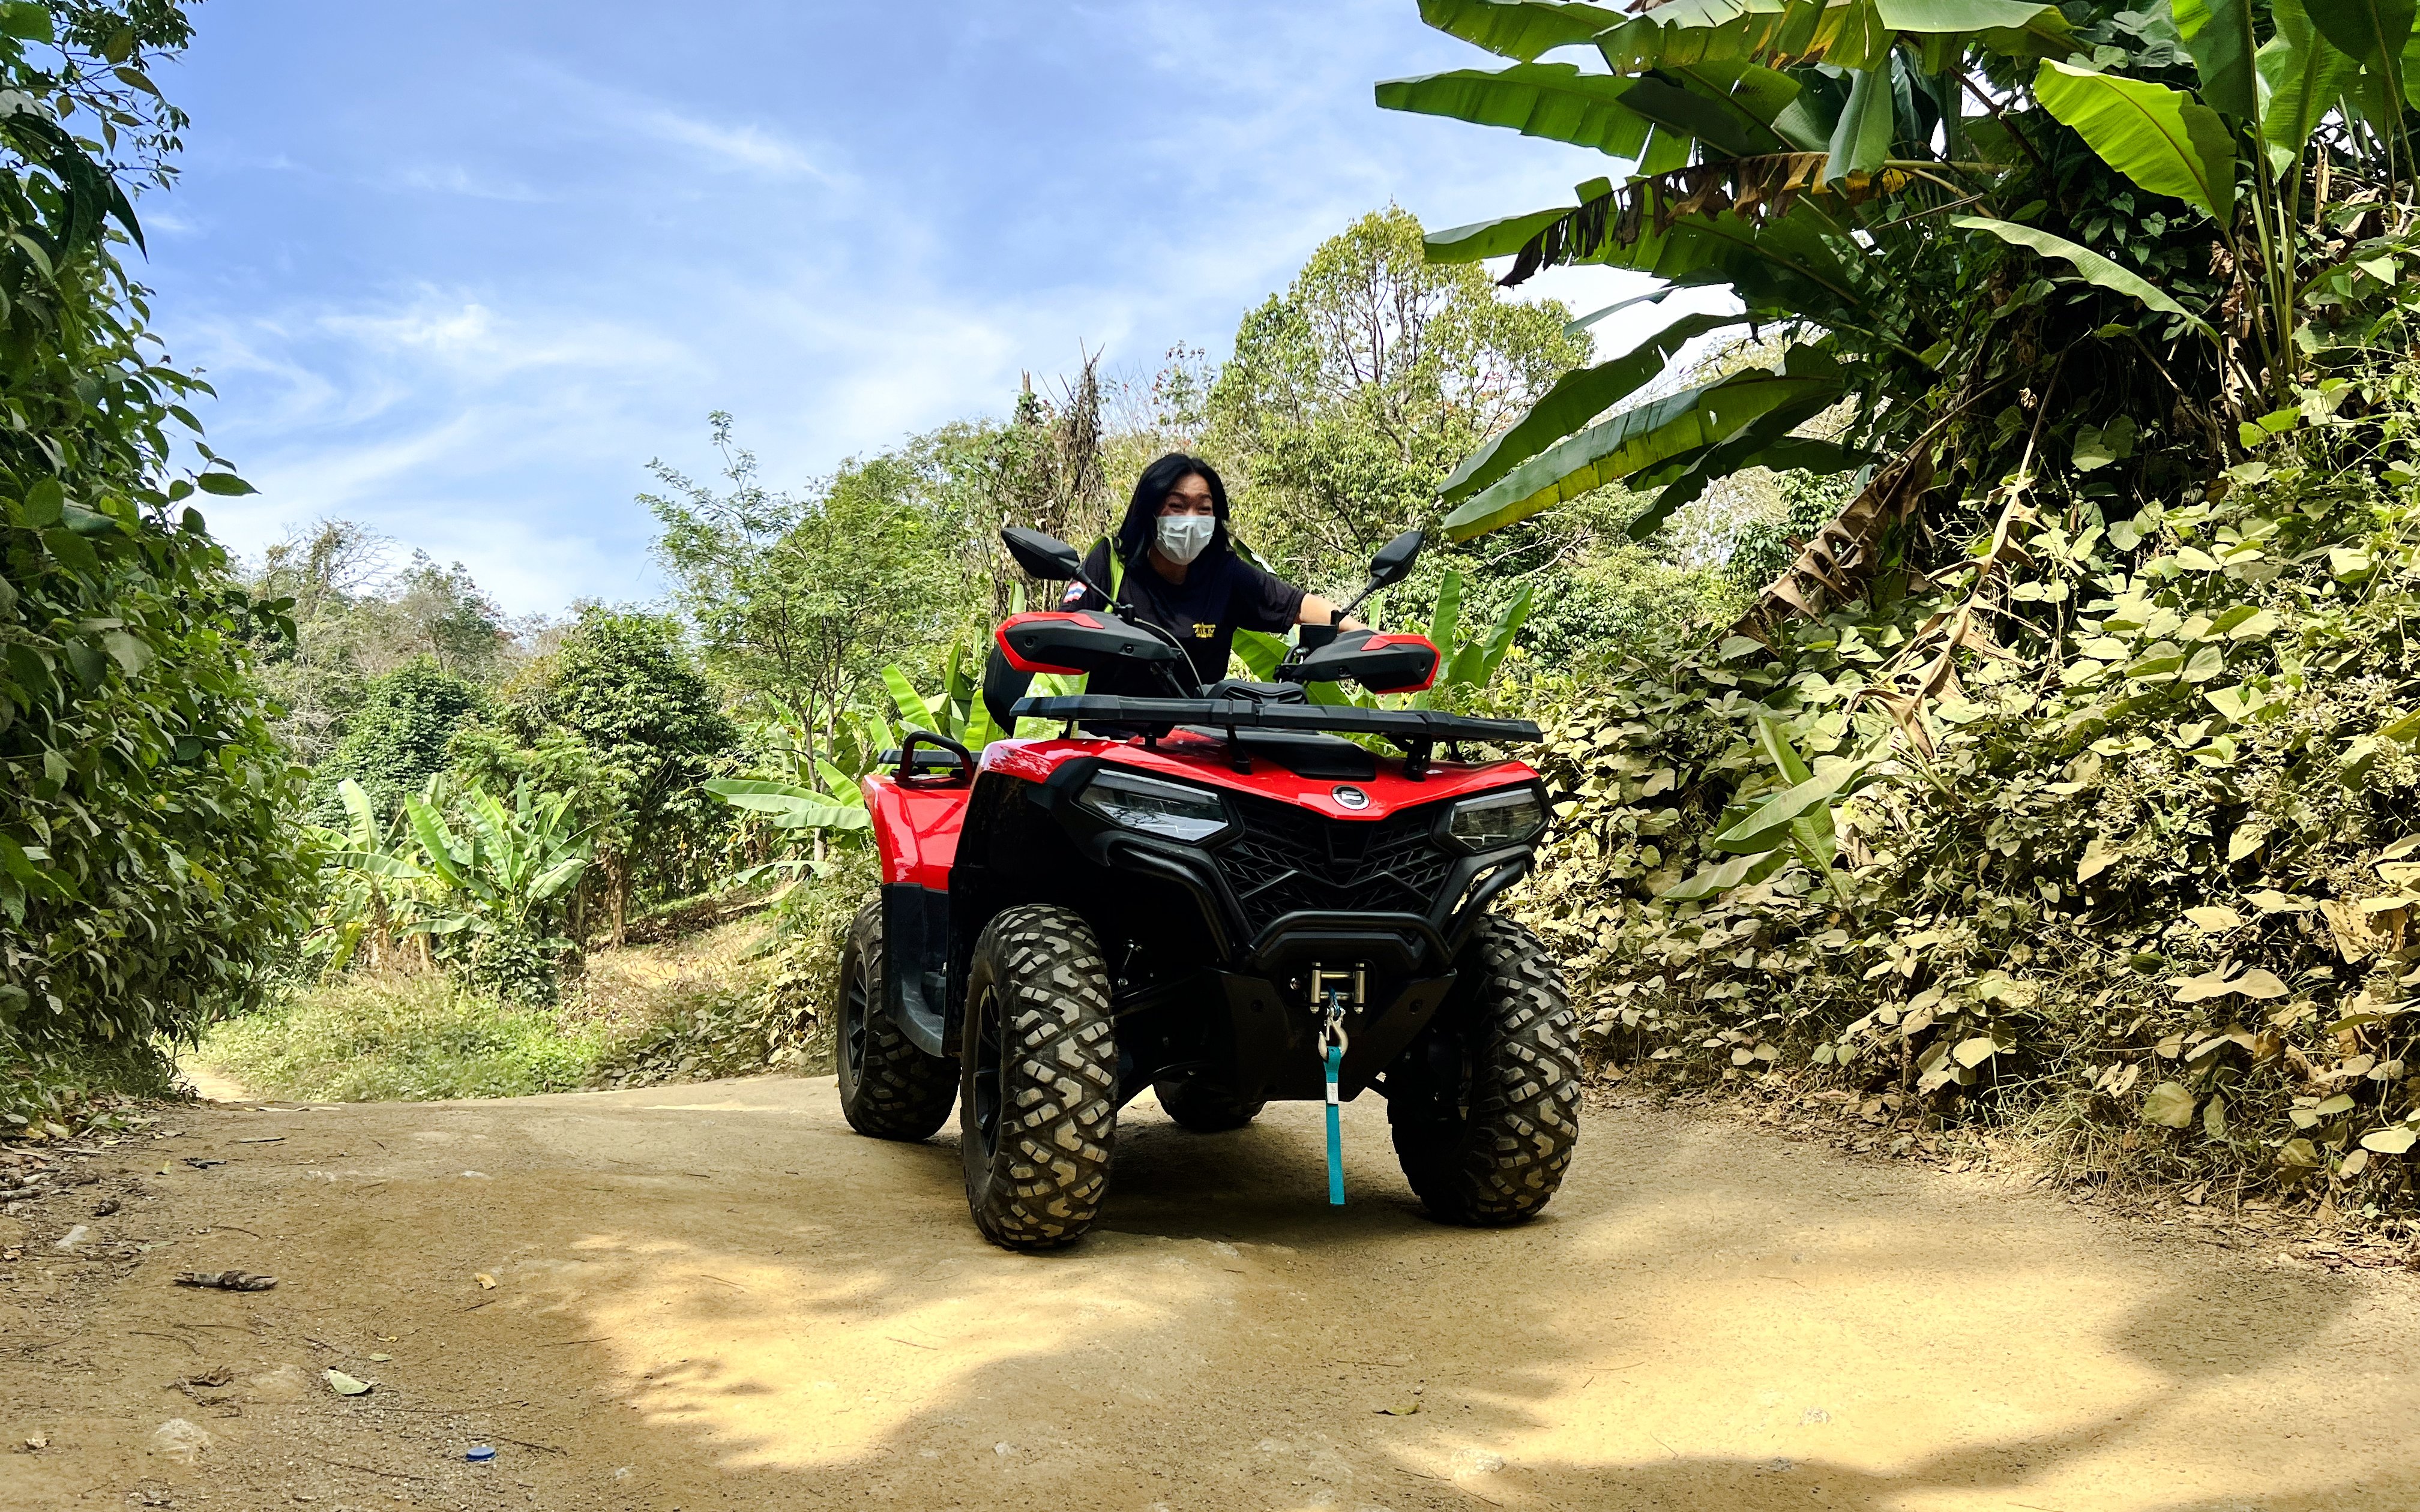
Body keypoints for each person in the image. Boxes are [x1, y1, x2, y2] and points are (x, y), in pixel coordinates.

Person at [1061, 453, 1358, 697]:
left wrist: (1366, 637)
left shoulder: (1224, 573)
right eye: (1177, 506)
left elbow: (1299, 606)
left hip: (1199, 738)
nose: (1191, 520)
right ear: (1149, 512)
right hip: (1109, 737)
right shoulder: (1111, 562)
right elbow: (1063, 631)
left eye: (1203, 509)